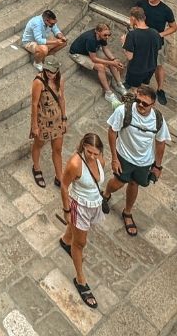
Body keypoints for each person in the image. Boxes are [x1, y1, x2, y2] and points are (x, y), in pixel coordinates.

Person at [102, 85, 171, 237]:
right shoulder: (124, 111)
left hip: (144, 161)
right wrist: (114, 158)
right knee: (119, 182)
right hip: (124, 156)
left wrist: (157, 166)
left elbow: (160, 142)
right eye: (138, 101)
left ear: (153, 105)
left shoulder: (158, 119)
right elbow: (112, 131)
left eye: (145, 104)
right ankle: (106, 193)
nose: (140, 105)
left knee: (134, 184)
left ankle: (127, 213)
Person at [59, 133, 106, 310]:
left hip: (94, 204)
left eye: (96, 153)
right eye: (89, 152)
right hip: (80, 206)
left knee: (76, 236)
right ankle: (80, 279)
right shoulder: (75, 164)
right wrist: (66, 210)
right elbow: (64, 185)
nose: (92, 156)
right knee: (80, 243)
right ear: (83, 146)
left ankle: (65, 241)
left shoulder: (100, 160)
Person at [29, 55, 66, 189]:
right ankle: (36, 167)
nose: (50, 74)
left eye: (52, 71)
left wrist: (64, 118)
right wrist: (34, 125)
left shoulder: (60, 80)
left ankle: (59, 176)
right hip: (43, 120)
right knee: (38, 144)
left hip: (56, 120)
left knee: (57, 148)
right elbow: (34, 104)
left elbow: (61, 99)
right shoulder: (39, 82)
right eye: (48, 71)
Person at [138, 0, 177, 105]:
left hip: (157, 42)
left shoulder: (165, 10)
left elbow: (173, 27)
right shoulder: (141, 4)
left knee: (158, 65)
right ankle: (138, 85)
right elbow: (134, 17)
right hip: (143, 39)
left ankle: (160, 90)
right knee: (140, 62)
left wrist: (160, 34)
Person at [69, 22, 127, 103]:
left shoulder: (102, 37)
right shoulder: (91, 39)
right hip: (77, 54)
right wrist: (111, 63)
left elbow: (105, 49)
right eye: (105, 35)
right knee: (100, 67)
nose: (107, 37)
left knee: (113, 61)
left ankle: (119, 84)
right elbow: (94, 59)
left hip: (90, 51)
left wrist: (114, 60)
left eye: (108, 35)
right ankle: (108, 93)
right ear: (97, 32)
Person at [122, 6, 161, 89]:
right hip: (150, 68)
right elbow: (157, 48)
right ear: (144, 17)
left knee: (134, 91)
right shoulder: (155, 33)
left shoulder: (132, 35)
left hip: (136, 69)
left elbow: (129, 57)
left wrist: (123, 43)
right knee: (143, 89)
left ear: (132, 18)